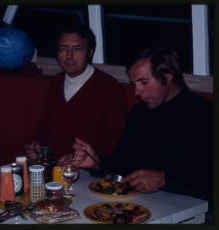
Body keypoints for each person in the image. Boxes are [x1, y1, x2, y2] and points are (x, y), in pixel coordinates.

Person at [67, 48, 213, 203]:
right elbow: (123, 165)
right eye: (134, 84)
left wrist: (165, 179)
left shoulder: (203, 113)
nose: (137, 92)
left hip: (193, 209)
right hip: (144, 205)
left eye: (143, 82)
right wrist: (97, 163)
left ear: (167, 75)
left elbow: (208, 178)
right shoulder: (139, 113)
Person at [25, 24, 128, 163]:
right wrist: (37, 148)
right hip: (54, 170)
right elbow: (45, 130)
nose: (69, 56)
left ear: (90, 53)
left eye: (77, 49)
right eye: (63, 49)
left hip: (90, 174)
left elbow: (117, 142)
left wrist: (82, 158)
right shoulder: (55, 83)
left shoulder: (110, 88)